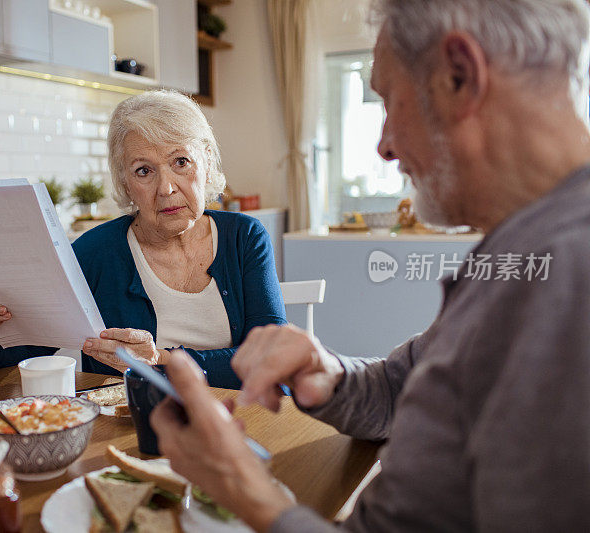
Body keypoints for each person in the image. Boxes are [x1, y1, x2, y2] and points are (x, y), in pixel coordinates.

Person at [151, 0, 590, 530]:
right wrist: (330, 376)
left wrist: (244, 488)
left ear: (460, 75)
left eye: (389, 99)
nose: (383, 145)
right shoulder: (520, 248)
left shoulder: (568, 283)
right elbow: (401, 386)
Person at [0, 90, 285, 389]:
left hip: (243, 416)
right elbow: (22, 354)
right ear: (125, 182)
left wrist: (160, 359)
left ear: (206, 162)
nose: (166, 188)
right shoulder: (94, 253)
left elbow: (271, 356)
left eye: (181, 162)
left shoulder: (244, 237)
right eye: (143, 171)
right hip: (132, 428)